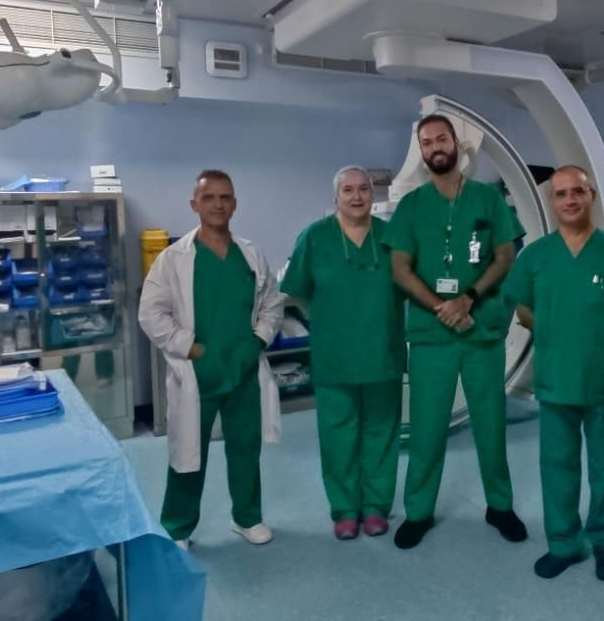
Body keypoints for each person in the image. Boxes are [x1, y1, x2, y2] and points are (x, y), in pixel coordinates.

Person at [384, 113, 528, 549]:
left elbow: (505, 257)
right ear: (422, 152)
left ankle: (500, 506)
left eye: (441, 139)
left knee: (490, 425)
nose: (434, 147)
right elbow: (399, 268)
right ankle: (419, 512)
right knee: (427, 428)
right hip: (431, 339)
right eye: (426, 142)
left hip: (480, 331)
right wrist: (440, 306)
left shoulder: (487, 201)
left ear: (456, 144)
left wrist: (467, 298)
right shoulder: (411, 206)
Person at [503, 166, 604, 582]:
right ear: (552, 202)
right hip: (554, 377)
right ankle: (564, 544)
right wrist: (553, 330)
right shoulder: (535, 255)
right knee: (558, 464)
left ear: (591, 197)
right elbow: (522, 307)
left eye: (578, 192)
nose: (570, 200)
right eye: (561, 194)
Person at [140, 169, 285, 550]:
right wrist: (187, 347)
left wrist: (257, 340)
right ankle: (178, 526)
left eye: (225, 197)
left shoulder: (250, 254)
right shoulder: (174, 259)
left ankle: (247, 518)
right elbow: (150, 314)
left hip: (243, 370)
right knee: (188, 454)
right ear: (195, 205)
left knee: (245, 448)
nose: (218, 204)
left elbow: (272, 302)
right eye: (209, 198)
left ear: (235, 203)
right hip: (197, 373)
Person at [280, 166, 406, 541]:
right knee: (338, 434)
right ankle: (345, 509)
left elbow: (410, 286)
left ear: (372, 194)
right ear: (335, 196)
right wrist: (329, 318)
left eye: (363, 189)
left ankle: (375, 508)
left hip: (382, 351)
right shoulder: (315, 237)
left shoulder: (391, 237)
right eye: (348, 190)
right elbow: (297, 290)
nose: (356, 196)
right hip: (334, 354)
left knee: (381, 433)